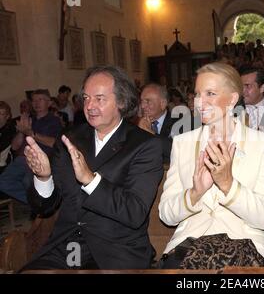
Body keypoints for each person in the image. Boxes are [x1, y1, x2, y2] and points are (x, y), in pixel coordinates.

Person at [21, 65, 164, 270]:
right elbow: (46, 208)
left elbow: (134, 212)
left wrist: (90, 180)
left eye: (99, 98)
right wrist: (44, 178)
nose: (90, 106)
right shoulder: (70, 139)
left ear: (122, 102)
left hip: (116, 252)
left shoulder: (144, 145)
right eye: (86, 98)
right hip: (68, 247)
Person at [158, 62, 264, 269]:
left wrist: (229, 186)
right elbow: (166, 215)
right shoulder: (183, 143)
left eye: (210, 94)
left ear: (232, 99)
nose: (199, 102)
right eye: (197, 94)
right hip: (188, 248)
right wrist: (195, 193)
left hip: (245, 249)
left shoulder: (261, 143)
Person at [0, 90, 62, 204]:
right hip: (22, 159)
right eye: (34, 100)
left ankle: (42, 206)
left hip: (41, 160)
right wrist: (21, 132)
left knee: (28, 181)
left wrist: (30, 132)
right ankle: (36, 204)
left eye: (40, 100)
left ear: (49, 103)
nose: (36, 103)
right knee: (3, 182)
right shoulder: (28, 119)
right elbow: (14, 147)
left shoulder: (54, 120)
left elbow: (53, 143)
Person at [138, 83, 179, 164]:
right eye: (142, 101)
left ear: (163, 104)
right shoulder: (137, 123)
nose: (142, 106)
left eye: (148, 101)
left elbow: (176, 151)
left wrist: (150, 132)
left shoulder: (178, 122)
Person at [0, 101, 16, 174]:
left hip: (5, 166)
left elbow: (3, 146)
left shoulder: (10, 129)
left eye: (1, 114)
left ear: (7, 116)